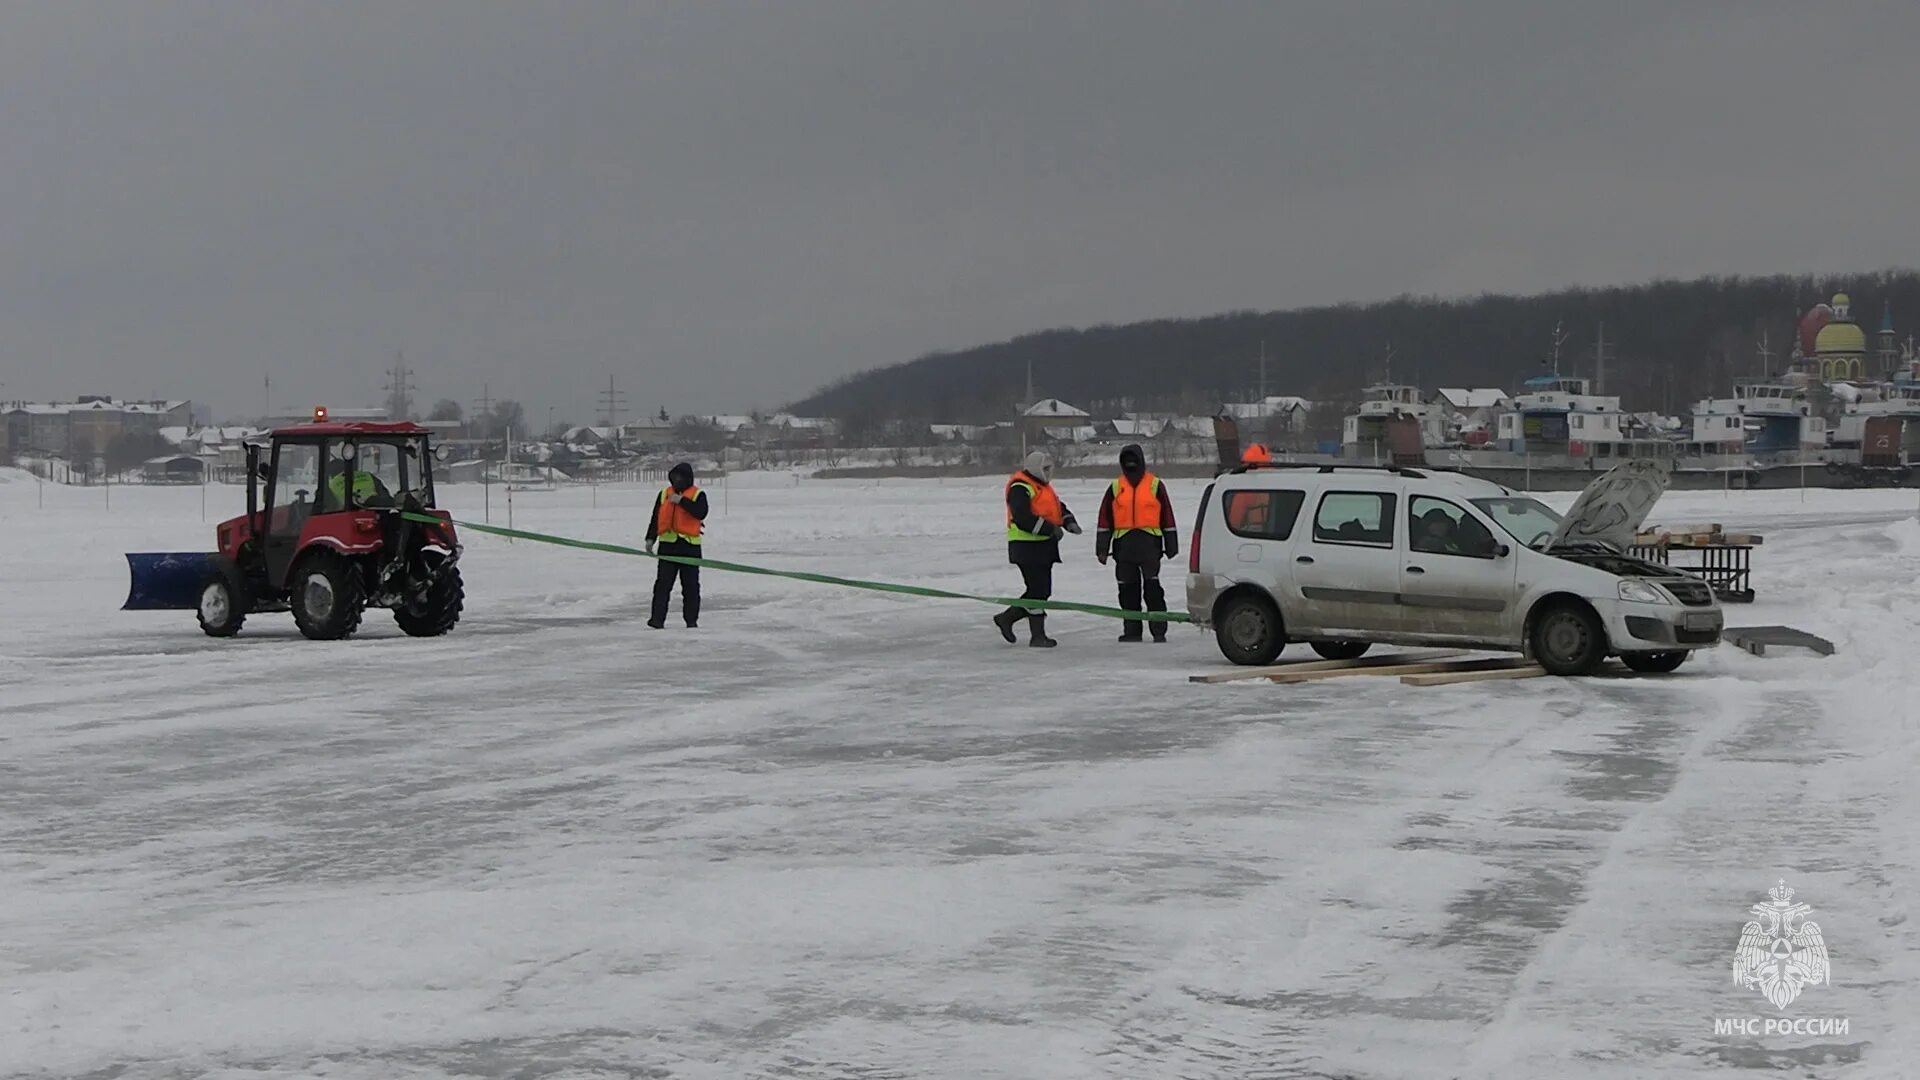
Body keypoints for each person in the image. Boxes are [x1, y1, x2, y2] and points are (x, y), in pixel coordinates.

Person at [992, 450, 1080, 647]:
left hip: (1043, 547)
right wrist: (1050, 529)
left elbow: (1057, 508)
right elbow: (1022, 517)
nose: (1049, 473)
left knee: (1041, 590)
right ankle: (1035, 634)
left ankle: (1008, 618)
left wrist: (1068, 521)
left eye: (1050, 469)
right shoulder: (1020, 487)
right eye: (1045, 468)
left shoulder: (1043, 488)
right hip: (1026, 546)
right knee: (1038, 590)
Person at [1095, 443, 1179, 642]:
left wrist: (1171, 545)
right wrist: (1101, 548)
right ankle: (1132, 630)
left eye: (1133, 459)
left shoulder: (1155, 485)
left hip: (1149, 545)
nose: (1130, 464)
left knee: (1152, 590)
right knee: (1127, 591)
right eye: (1126, 460)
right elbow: (1105, 519)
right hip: (1123, 547)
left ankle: (1158, 630)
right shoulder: (1116, 487)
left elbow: (1167, 516)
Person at [645, 462, 709, 629]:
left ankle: (691, 621)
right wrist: (650, 539)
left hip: (689, 547)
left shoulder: (698, 494)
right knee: (662, 585)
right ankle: (657, 620)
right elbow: (656, 518)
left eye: (681, 477)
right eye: (675, 477)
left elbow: (701, 512)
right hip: (667, 546)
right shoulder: (664, 494)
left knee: (690, 587)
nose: (677, 480)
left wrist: (682, 501)